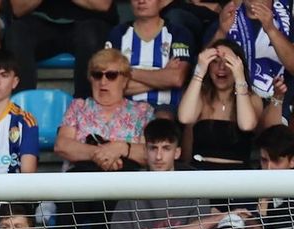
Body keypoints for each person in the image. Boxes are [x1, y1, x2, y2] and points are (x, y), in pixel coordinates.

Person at [176, 40, 263, 171]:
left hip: (238, 176)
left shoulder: (252, 99)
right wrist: (199, 71)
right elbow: (185, 117)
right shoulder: (201, 97)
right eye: (215, 62)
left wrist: (239, 77)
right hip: (201, 173)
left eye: (228, 62)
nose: (221, 67)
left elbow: (247, 125)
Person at [3, 0, 115, 98]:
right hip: (40, 23)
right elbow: (18, 8)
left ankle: (84, 110)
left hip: (89, 23)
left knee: (91, 36)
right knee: (17, 33)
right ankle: (22, 111)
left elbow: (103, 4)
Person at [106, 0, 193, 111]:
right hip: (124, 111)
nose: (141, 1)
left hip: (164, 110)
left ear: (162, 2)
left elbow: (176, 78)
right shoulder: (118, 34)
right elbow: (111, 85)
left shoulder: (178, 33)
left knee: (162, 121)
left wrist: (127, 71)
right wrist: (163, 77)